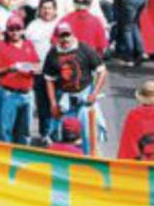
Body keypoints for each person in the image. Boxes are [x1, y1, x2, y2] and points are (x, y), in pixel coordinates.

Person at [43, 23, 107, 153]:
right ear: (57, 37)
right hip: (65, 100)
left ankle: (90, 161)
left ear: (72, 34)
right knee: (64, 134)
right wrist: (53, 103)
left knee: (87, 134)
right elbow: (49, 80)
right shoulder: (53, 53)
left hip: (85, 98)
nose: (65, 39)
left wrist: (95, 93)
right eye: (62, 36)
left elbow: (102, 71)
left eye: (67, 35)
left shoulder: (84, 49)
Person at [0, 17, 40, 144]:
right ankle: (5, 157)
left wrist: (29, 67)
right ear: (6, 31)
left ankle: (22, 159)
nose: (15, 32)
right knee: (5, 130)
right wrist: (9, 69)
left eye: (18, 29)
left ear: (23, 31)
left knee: (25, 131)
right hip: (8, 93)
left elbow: (37, 66)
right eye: (11, 29)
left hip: (27, 93)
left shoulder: (29, 45)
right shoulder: (0, 47)